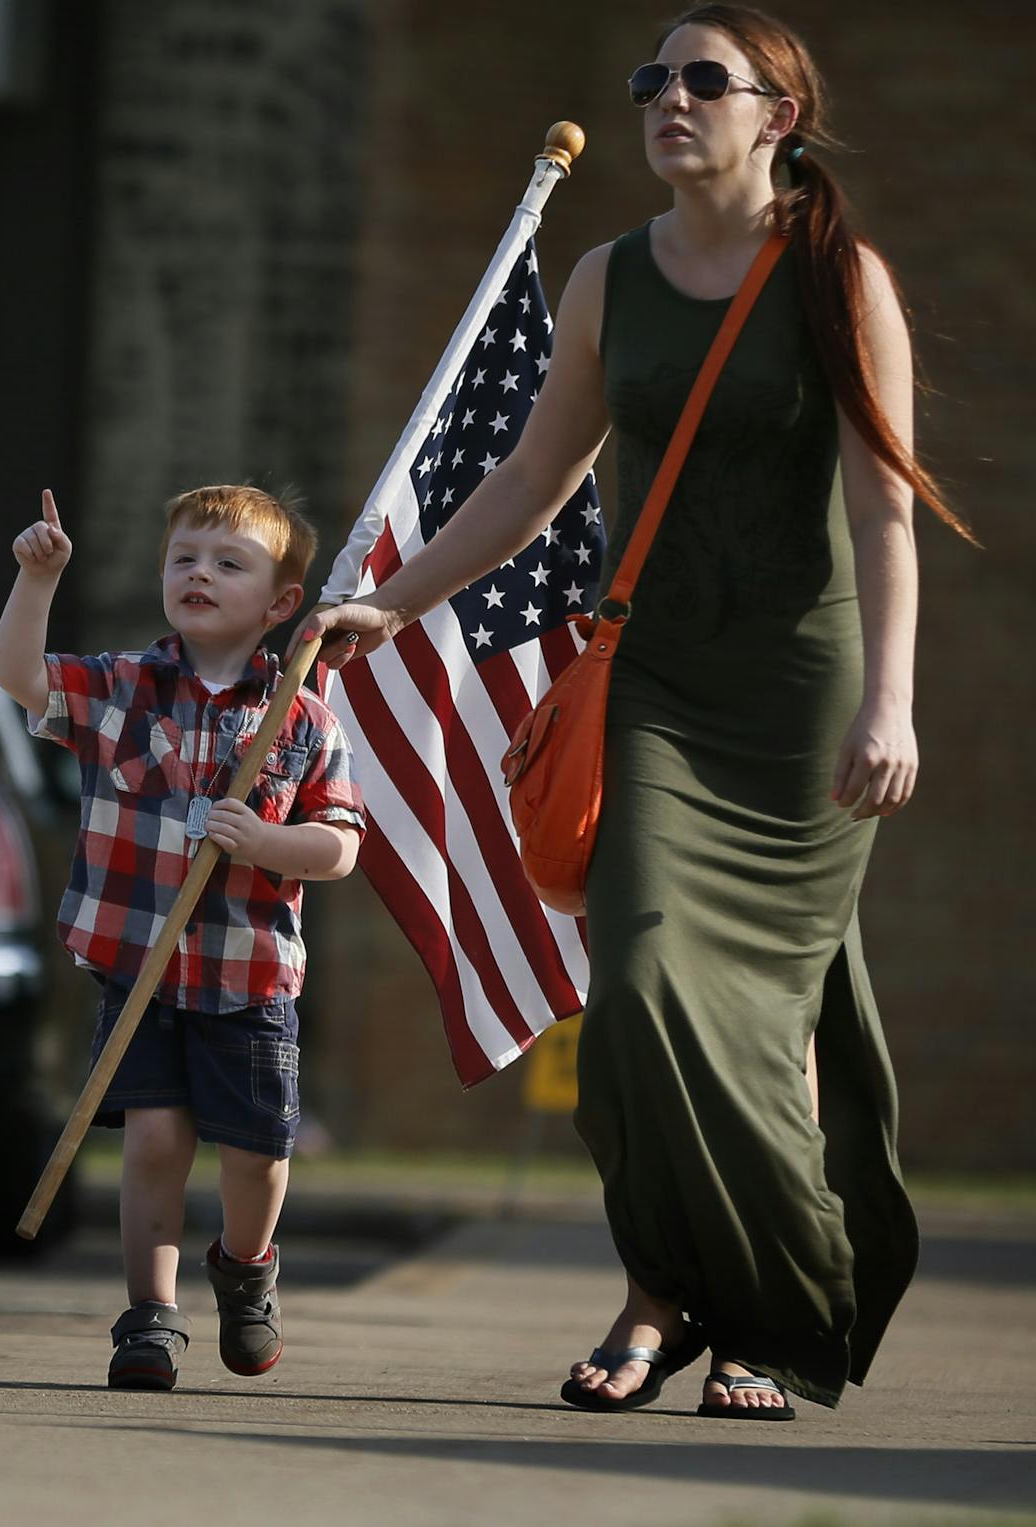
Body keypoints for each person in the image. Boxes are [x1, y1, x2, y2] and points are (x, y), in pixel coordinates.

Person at [298, 4, 972, 1419]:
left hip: (802, 693)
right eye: (652, 78)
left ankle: (753, 1325)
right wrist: (398, 601)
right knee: (645, 994)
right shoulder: (611, 275)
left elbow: (884, 511)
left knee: (761, 1017)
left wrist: (894, 702)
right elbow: (534, 480)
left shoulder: (842, 279)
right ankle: (657, 1290)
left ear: (775, 116)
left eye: (702, 81)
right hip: (652, 682)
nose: (669, 99)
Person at [0, 483, 365, 1391]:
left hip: (251, 974)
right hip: (140, 969)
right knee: (154, 1139)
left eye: (228, 563)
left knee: (258, 1154)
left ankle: (245, 1268)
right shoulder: (120, 686)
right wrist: (35, 580)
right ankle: (149, 1316)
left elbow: (340, 845)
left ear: (281, 604)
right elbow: (20, 678)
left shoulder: (302, 717)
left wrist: (268, 841)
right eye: (184, 559)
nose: (199, 573)